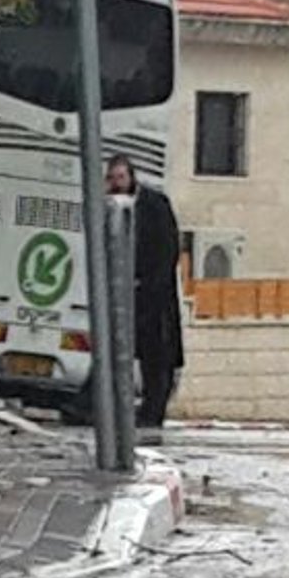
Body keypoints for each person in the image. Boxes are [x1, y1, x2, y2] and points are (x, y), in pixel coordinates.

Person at [105, 153, 184, 430]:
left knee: (155, 355)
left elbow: (168, 248)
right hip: (121, 292)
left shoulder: (154, 204)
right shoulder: (109, 206)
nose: (116, 184)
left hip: (153, 294)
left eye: (120, 178)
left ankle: (153, 411)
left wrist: (150, 284)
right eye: (112, 179)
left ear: (131, 177)